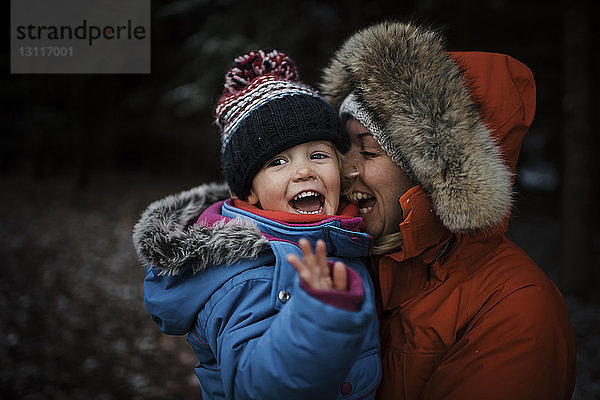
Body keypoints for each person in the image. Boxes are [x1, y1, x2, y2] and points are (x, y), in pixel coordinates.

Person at [319, 21, 577, 400]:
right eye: (344, 147)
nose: (345, 168)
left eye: (368, 150)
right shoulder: (354, 263)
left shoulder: (517, 310)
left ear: (433, 172)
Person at [132, 49, 380, 399]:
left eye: (318, 155)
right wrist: (317, 318)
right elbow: (259, 387)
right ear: (248, 191)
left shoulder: (348, 236)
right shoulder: (246, 276)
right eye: (278, 161)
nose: (304, 171)